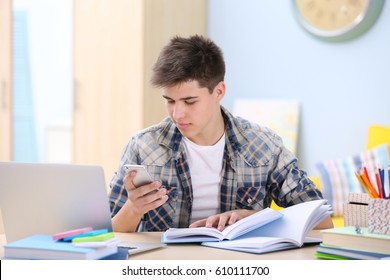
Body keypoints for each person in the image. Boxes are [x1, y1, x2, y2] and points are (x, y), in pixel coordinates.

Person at [109, 34, 333, 233]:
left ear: (219, 91)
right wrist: (133, 209)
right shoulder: (143, 146)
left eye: (189, 101)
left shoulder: (264, 146)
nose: (177, 114)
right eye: (170, 101)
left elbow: (322, 221)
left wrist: (254, 218)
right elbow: (107, 231)